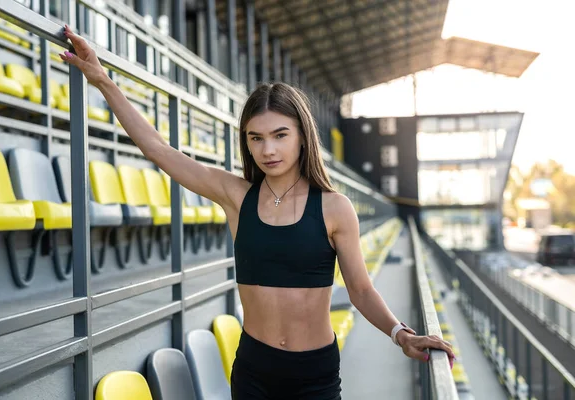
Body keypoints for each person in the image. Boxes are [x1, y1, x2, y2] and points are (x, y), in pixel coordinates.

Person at [60, 24, 455, 399]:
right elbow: (160, 150)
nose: (268, 150)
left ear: (302, 136)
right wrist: (102, 80)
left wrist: (400, 333)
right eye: (257, 138)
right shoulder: (236, 196)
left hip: (313, 375)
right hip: (253, 372)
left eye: (280, 136)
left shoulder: (335, 207)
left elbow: (361, 290)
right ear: (246, 142)